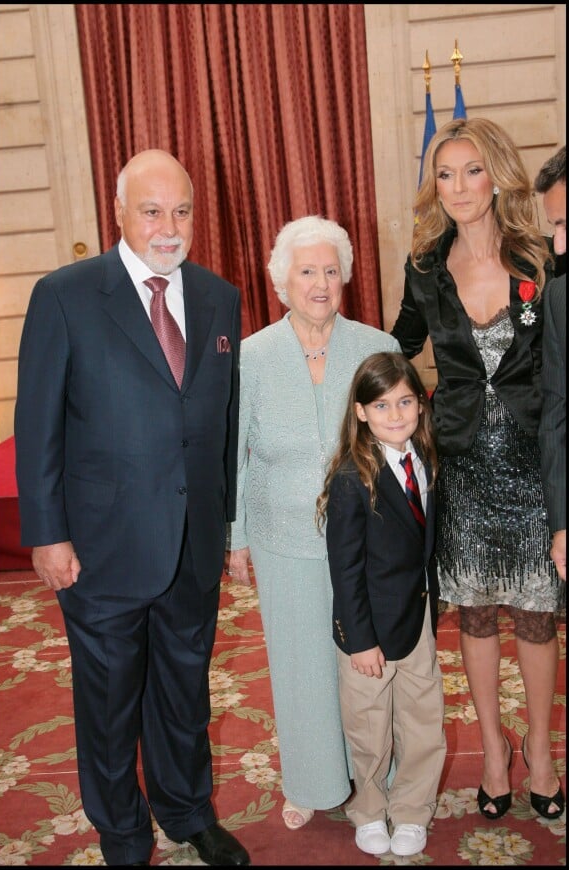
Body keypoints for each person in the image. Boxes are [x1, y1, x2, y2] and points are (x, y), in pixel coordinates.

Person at [14, 149, 250, 866]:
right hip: (101, 547)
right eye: (152, 211)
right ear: (118, 213)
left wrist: (228, 524)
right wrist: (47, 533)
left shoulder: (220, 298)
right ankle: (121, 831)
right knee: (110, 702)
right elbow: (38, 424)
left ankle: (185, 811)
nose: (168, 226)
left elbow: (226, 422)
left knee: (184, 691)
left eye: (181, 210)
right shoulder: (65, 295)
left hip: (193, 543)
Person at [391, 117, 565, 823]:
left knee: (538, 614)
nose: (458, 187)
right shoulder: (425, 266)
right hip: (461, 465)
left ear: (496, 175)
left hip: (534, 462)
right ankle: (494, 751)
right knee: (478, 614)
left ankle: (544, 750)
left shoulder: (540, 257)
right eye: (445, 173)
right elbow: (396, 349)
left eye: (471, 171)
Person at [227, 216, 401, 830]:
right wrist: (238, 536)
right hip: (282, 540)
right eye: (307, 271)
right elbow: (235, 453)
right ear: (282, 280)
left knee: (370, 665)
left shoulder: (376, 347)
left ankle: (378, 783)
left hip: (369, 540)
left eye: (331, 270)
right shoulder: (251, 355)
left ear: (345, 276)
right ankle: (312, 782)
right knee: (301, 665)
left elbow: (403, 445)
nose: (321, 283)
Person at [316, 351, 446, 858]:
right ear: (362, 412)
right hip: (368, 632)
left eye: (406, 401)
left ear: (420, 404)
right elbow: (345, 571)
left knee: (422, 722)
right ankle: (369, 808)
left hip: (417, 622)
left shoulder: (426, 460)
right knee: (369, 730)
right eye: (382, 405)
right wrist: (360, 640)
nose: (397, 414)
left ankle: (412, 809)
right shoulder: (353, 478)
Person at [534, 146, 566, 582]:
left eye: (565, 223)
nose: (558, 243)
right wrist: (561, 525)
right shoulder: (558, 298)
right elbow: (556, 417)